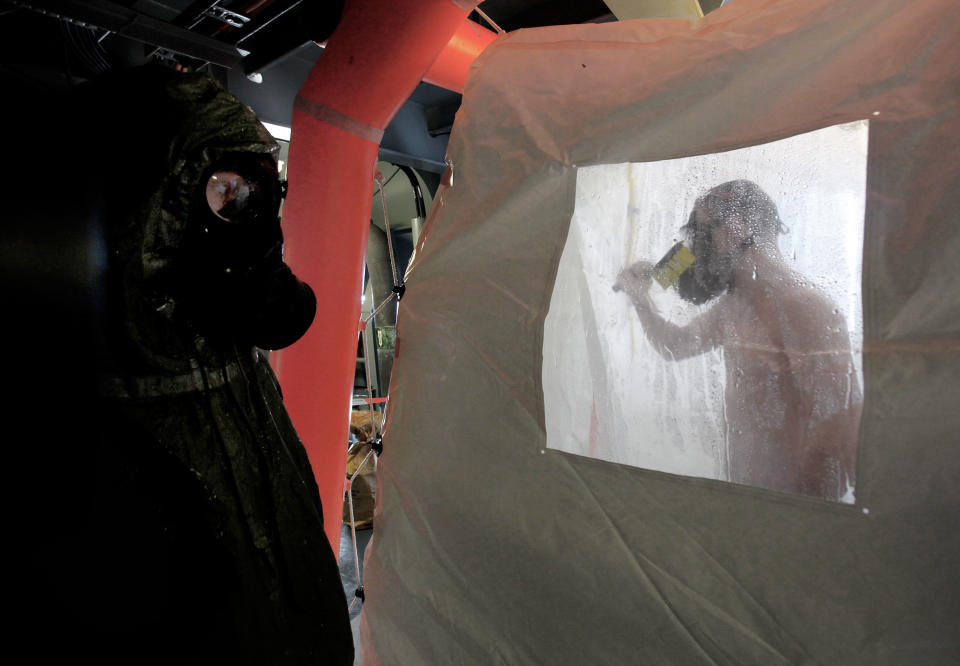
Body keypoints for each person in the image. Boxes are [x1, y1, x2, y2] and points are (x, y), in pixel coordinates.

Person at [77, 64, 353, 664]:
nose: (244, 211)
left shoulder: (228, 337)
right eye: (223, 189)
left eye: (255, 189)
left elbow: (284, 312)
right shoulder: (117, 400)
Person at [615, 180, 861, 501]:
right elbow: (675, 346)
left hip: (797, 511)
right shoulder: (735, 307)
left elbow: (840, 428)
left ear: (736, 228)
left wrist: (809, 520)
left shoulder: (803, 306)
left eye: (702, 236)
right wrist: (640, 299)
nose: (694, 252)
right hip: (748, 501)